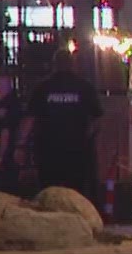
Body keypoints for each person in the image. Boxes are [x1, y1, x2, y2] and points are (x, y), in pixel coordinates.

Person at [17, 50, 103, 200]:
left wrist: (20, 146)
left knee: (49, 193)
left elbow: (29, 120)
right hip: (77, 151)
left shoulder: (42, 88)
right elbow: (98, 119)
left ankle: (51, 220)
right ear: (73, 64)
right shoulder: (85, 88)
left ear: (54, 65)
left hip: (48, 151)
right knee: (76, 194)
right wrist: (87, 137)